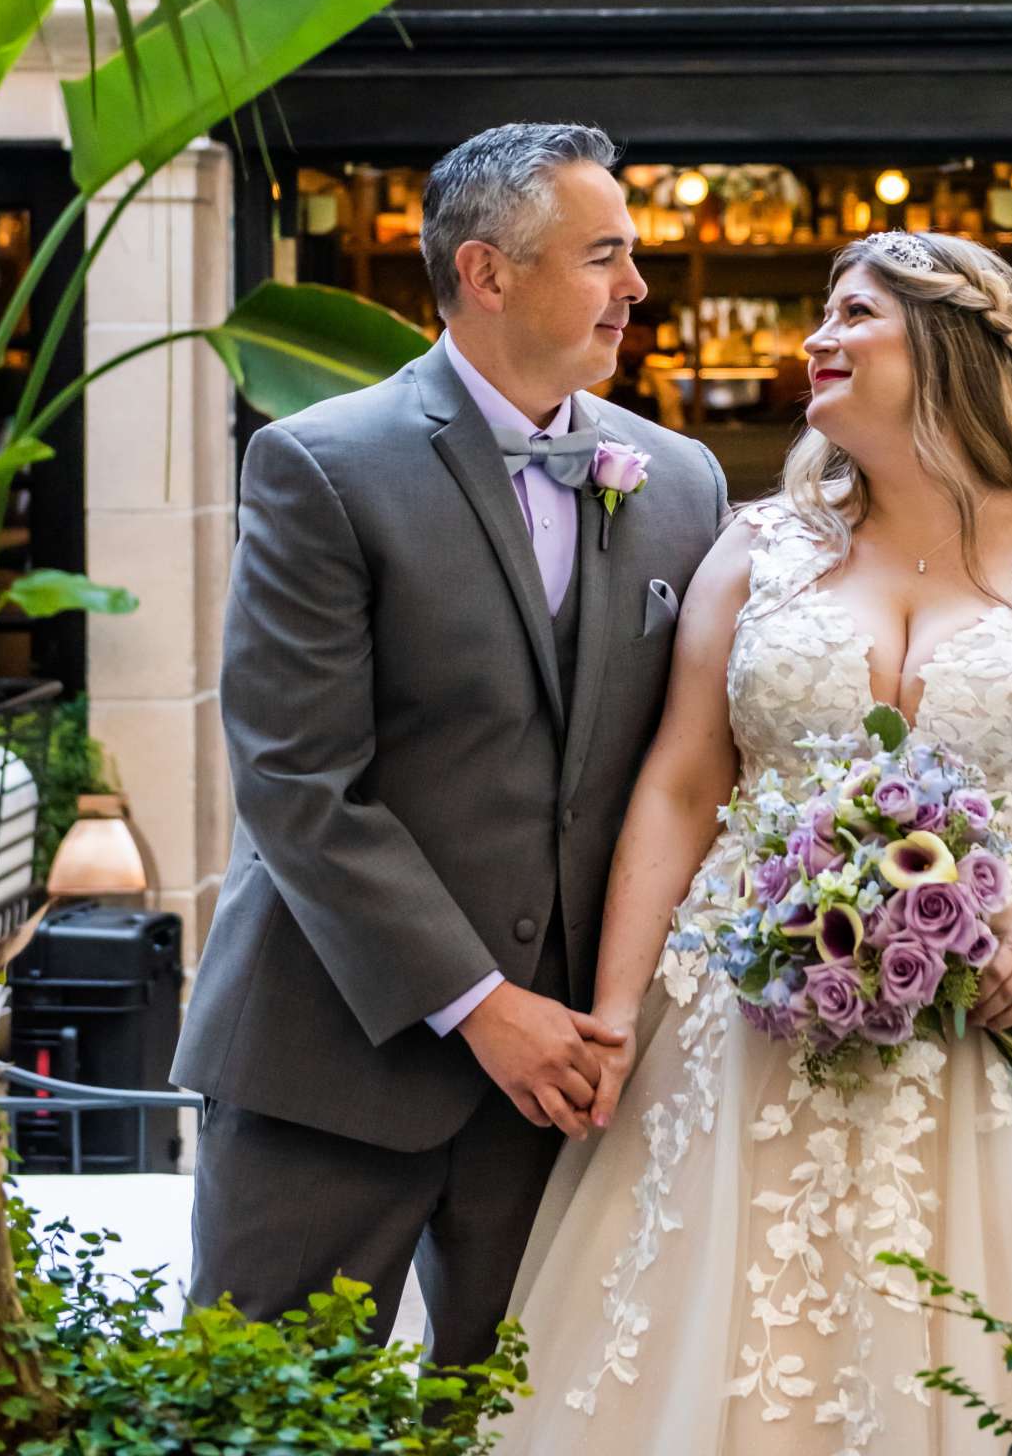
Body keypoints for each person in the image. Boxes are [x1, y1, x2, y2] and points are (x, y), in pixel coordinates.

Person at [499, 229, 1012, 1453]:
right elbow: (684, 785)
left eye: (852, 316)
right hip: (747, 1027)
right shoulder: (756, 545)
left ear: (946, 345)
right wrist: (621, 1008)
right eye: (822, 318)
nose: (816, 340)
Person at [173, 122, 726, 1367]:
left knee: (519, 1427)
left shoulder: (681, 482)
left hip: (570, 1096)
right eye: (603, 257)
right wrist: (480, 1006)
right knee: (256, 1411)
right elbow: (294, 780)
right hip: (331, 1063)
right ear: (486, 273)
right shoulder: (318, 466)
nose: (635, 288)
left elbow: (711, 751)